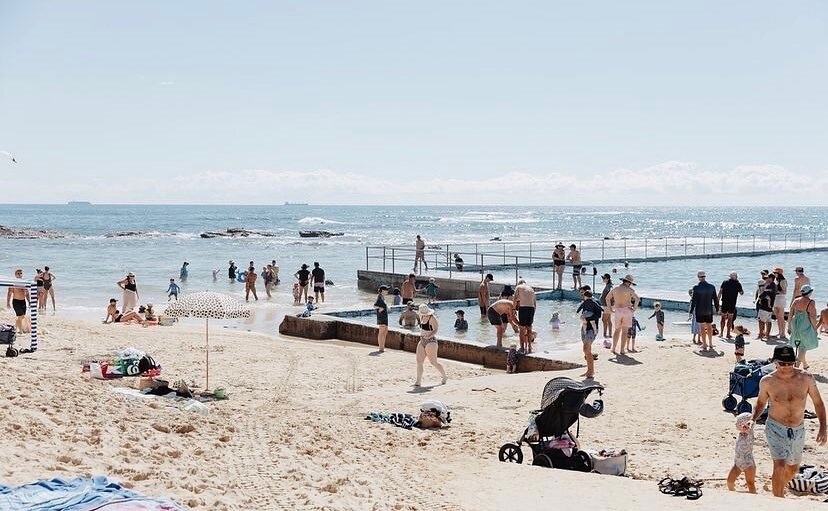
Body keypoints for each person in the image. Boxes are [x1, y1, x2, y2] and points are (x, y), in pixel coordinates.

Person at [752, 345, 826, 498]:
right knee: (779, 464)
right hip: (775, 428)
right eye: (782, 363)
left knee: (792, 469)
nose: (787, 367)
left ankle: (778, 486)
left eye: (790, 363)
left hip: (798, 430)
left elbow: (818, 403)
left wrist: (823, 427)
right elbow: (760, 404)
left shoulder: (806, 378)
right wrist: (753, 419)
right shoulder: (767, 381)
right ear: (775, 362)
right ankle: (778, 500)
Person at [787, 285, 819, 370]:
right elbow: (812, 316)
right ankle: (796, 367)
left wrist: (789, 326)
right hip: (805, 324)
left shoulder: (796, 300)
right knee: (803, 347)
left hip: (796, 323)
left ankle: (805, 365)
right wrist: (815, 329)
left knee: (801, 345)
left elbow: (790, 314)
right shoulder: (811, 302)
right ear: (809, 293)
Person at [606, 274, 640, 355]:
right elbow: (637, 299)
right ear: (628, 283)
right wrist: (634, 309)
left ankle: (613, 349)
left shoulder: (615, 288)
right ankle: (622, 350)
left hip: (618, 310)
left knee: (617, 330)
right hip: (627, 310)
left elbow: (607, 298)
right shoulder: (629, 290)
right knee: (625, 331)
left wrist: (610, 308)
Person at [414, 304, 447, 387]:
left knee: (433, 362)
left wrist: (429, 335)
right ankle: (418, 381)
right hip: (422, 340)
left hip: (431, 341)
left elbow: (436, 329)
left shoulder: (432, 318)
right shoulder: (421, 316)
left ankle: (444, 376)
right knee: (419, 361)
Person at [726, 412, 756, 493]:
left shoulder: (749, 434)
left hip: (748, 464)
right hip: (738, 463)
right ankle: (732, 492)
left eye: (738, 423)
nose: (736, 424)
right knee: (729, 481)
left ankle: (753, 496)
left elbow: (749, 431)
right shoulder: (740, 433)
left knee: (750, 483)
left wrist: (748, 428)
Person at [690, 271, 720, 352]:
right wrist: (717, 309)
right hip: (709, 310)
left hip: (699, 310)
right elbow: (716, 299)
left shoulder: (696, 288)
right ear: (705, 277)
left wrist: (690, 311)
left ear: (698, 277)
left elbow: (694, 301)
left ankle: (704, 345)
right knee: (709, 327)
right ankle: (710, 344)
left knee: (702, 328)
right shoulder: (711, 287)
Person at [576, 290, 602, 378]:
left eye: (582, 293)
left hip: (592, 329)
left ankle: (591, 371)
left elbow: (598, 315)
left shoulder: (595, 302)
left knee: (586, 349)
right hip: (585, 328)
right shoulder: (585, 302)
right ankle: (589, 371)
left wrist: (587, 318)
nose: (581, 295)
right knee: (586, 350)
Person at [718, 272, 744, 339]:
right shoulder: (737, 284)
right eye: (736, 276)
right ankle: (728, 334)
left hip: (724, 302)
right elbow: (742, 293)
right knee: (730, 319)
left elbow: (720, 291)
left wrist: (717, 301)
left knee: (723, 317)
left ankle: (721, 333)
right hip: (732, 303)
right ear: (735, 277)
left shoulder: (725, 282)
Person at [513, 279, 536, 353]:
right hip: (531, 309)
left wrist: (514, 309)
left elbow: (515, 298)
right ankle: (529, 346)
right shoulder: (531, 289)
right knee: (529, 328)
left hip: (523, 308)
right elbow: (535, 304)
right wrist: (533, 313)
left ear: (519, 283)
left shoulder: (518, 287)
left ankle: (522, 348)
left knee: (522, 329)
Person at [6, 269, 30, 333]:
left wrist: (29, 302)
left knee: (21, 316)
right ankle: (20, 331)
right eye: (18, 273)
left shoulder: (24, 283)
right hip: (16, 301)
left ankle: (15, 327)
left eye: (21, 273)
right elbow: (9, 293)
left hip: (23, 301)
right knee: (20, 316)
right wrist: (8, 303)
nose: (20, 275)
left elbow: (27, 293)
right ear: (15, 275)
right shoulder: (13, 283)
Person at [772, 268, 788, 340]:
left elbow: (784, 292)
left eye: (775, 272)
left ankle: (783, 333)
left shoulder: (783, 281)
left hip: (781, 299)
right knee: (777, 317)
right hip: (776, 299)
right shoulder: (777, 280)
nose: (774, 274)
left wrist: (775, 291)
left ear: (779, 273)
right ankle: (779, 332)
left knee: (781, 317)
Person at [374, 286, 389, 352]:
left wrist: (386, 307)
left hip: (384, 316)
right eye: (386, 290)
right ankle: (381, 348)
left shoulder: (382, 297)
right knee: (382, 332)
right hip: (381, 317)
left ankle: (382, 347)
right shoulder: (379, 297)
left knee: (385, 331)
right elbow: (375, 306)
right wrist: (380, 309)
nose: (387, 291)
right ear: (382, 291)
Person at [599, 274, 613, 338]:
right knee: (608, 320)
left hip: (607, 306)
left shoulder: (609, 286)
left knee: (604, 320)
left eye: (604, 278)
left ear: (607, 279)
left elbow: (611, 294)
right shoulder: (608, 285)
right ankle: (610, 334)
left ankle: (605, 334)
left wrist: (610, 304)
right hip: (607, 305)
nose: (603, 279)